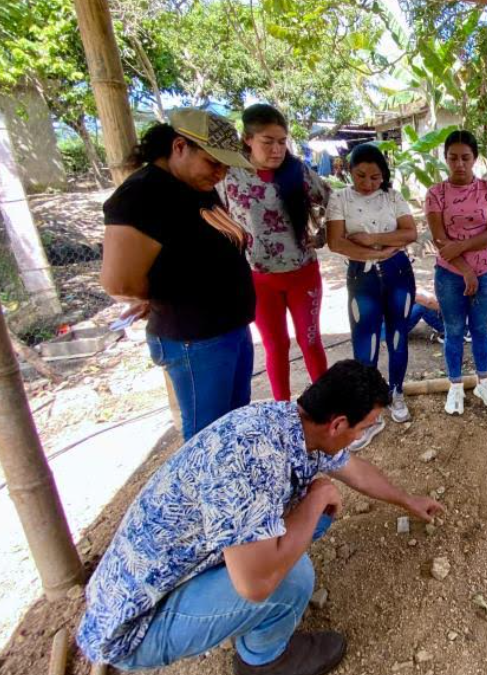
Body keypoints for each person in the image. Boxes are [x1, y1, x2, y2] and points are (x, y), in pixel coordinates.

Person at [76, 360, 443, 674]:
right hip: (135, 627)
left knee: (305, 518)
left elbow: (355, 470)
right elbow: (256, 586)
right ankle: (265, 661)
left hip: (159, 579)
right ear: (338, 424)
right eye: (363, 428)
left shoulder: (288, 424)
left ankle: (242, 608)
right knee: (292, 578)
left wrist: (407, 501)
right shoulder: (250, 462)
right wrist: (315, 499)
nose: (361, 437)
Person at [100, 109, 256, 441]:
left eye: (225, 166)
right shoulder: (143, 194)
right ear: (180, 146)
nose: (220, 173)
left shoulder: (193, 184)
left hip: (227, 329)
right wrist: (158, 294)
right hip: (195, 336)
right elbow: (119, 281)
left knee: (232, 427)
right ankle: (203, 494)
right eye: (214, 163)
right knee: (207, 439)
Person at [222, 104, 331, 402]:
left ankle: (326, 407)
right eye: (267, 141)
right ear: (247, 139)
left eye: (282, 141)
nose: (276, 149)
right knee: (276, 347)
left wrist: (321, 236)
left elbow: (333, 203)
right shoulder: (229, 176)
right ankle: (281, 411)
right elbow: (214, 217)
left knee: (310, 343)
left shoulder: (299, 172)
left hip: (303, 275)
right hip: (258, 279)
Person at [327, 143, 417, 438]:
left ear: (384, 175)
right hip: (362, 277)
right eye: (360, 175)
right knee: (364, 344)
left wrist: (369, 238)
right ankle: (367, 411)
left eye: (375, 177)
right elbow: (337, 242)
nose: (367, 184)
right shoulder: (339, 198)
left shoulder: (393, 196)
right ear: (349, 171)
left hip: (399, 274)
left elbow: (410, 233)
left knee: (397, 336)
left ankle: (396, 393)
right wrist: (378, 252)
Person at [425, 130, 487, 415]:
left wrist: (467, 256)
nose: (459, 164)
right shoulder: (436, 193)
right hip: (449, 275)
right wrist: (464, 270)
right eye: (453, 158)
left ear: (475, 158)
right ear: (445, 158)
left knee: (481, 329)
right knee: (454, 330)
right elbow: (439, 239)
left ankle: (484, 382)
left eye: (465, 158)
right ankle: (455, 386)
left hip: (486, 273)